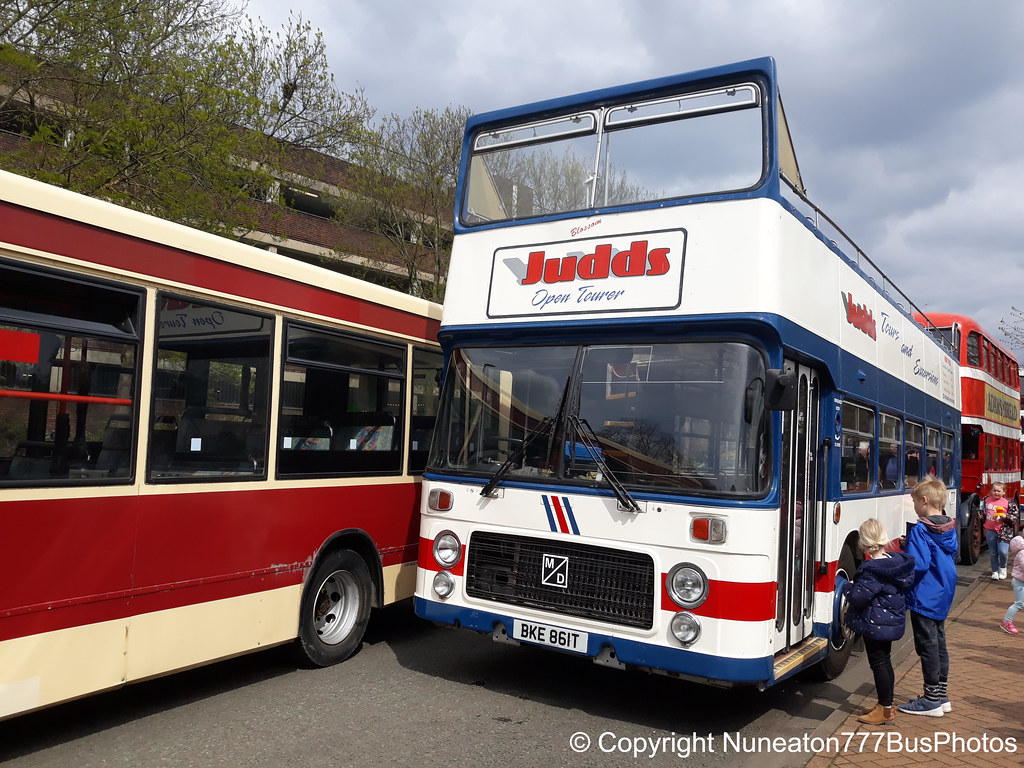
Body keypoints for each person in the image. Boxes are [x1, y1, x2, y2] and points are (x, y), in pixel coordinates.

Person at [842, 519, 915, 724]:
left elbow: (858, 597)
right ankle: (886, 705)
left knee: (879, 664)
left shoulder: (871, 570)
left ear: (863, 544)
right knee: (885, 662)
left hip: (875, 623)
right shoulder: (895, 562)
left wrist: (849, 586)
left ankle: (884, 709)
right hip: (890, 621)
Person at [898, 476, 958, 717]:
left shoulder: (921, 529)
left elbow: (918, 564)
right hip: (943, 592)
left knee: (927, 645)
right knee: (939, 642)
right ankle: (941, 695)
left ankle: (930, 699)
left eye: (914, 502)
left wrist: (903, 557)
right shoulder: (948, 527)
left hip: (925, 593)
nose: (913, 506)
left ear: (924, 501)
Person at [981, 482, 1019, 579]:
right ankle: (994, 571)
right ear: (991, 491)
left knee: (1003, 552)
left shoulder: (1009, 503)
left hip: (1004, 531)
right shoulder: (986, 501)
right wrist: (981, 516)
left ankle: (1002, 567)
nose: (996, 493)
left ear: (1003, 492)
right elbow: (981, 511)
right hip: (990, 530)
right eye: (994, 490)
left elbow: (1015, 518)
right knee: (993, 552)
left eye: (999, 491)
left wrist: (1005, 516)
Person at [1000, 535, 1024, 635]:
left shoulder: (1021, 552)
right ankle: (1006, 621)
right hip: (1019, 582)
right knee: (1019, 604)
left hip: (1020, 581)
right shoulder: (1022, 553)